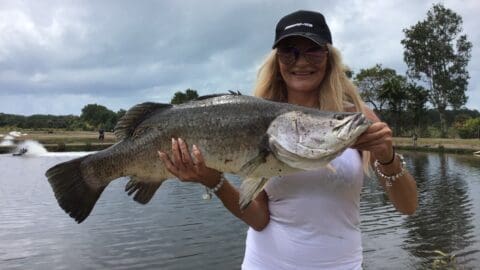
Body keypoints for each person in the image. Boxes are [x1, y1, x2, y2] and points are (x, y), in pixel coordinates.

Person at [158, 10, 418, 269]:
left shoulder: (355, 118)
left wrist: (388, 157)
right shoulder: (257, 121)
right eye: (289, 51)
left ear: (329, 57)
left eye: (313, 51)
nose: (301, 62)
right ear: (277, 60)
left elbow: (408, 207)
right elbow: (259, 220)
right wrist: (213, 180)